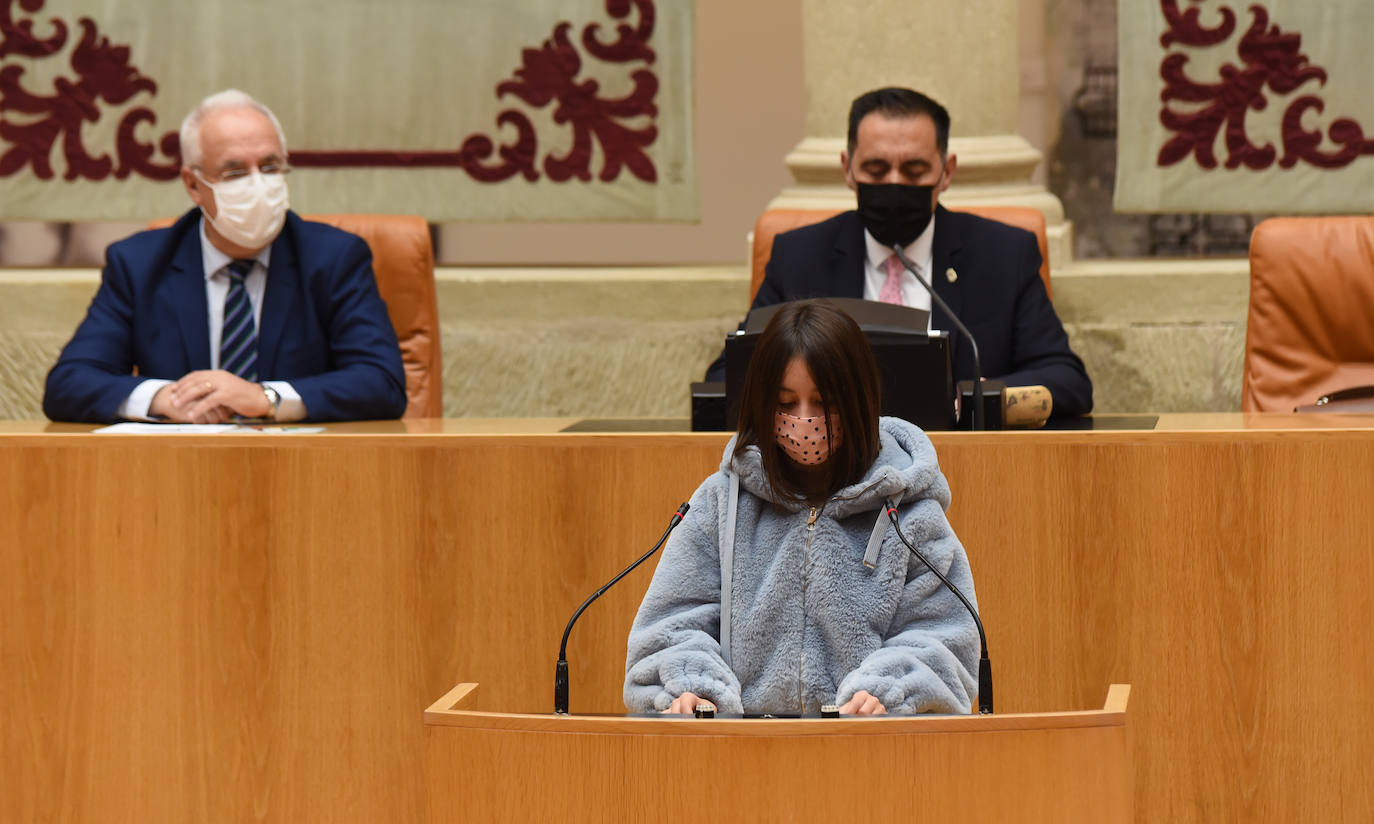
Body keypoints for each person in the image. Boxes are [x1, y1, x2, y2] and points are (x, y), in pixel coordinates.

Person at [627, 299, 979, 716]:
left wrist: (887, 689)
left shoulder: (909, 514)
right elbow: (671, 627)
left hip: (869, 754)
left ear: (858, 401)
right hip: (743, 755)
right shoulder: (721, 504)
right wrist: (692, 688)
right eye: (787, 403)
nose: (805, 420)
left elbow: (945, 638)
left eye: (824, 402)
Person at [705, 87, 1092, 418]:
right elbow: (730, 377)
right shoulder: (799, 255)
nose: (894, 183)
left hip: (962, 468)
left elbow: (1067, 379)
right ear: (847, 168)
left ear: (946, 171)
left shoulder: (1004, 254)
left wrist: (969, 400)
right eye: (875, 169)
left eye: (914, 170)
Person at [42, 89, 406, 424]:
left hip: (304, 472)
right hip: (180, 473)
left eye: (269, 166)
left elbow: (381, 382)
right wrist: (165, 398)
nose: (258, 185)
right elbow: (69, 384)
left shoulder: (334, 258)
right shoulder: (139, 263)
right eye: (234, 172)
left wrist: (265, 397)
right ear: (193, 185)